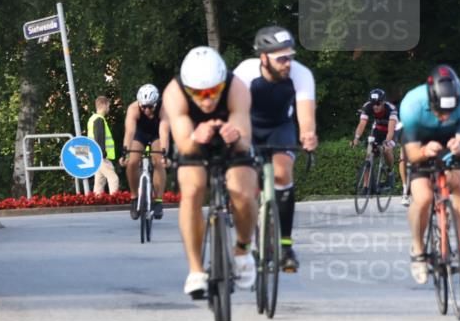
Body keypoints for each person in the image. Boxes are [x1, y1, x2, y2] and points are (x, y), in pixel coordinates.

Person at [163, 46, 258, 298]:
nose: (207, 100)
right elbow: (183, 144)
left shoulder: (236, 87)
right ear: (188, 88)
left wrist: (234, 136)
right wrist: (196, 137)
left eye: (213, 92)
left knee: (243, 191)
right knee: (192, 191)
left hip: (231, 141)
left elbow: (245, 141)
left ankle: (243, 249)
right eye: (199, 94)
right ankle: (195, 270)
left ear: (221, 83)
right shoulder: (175, 92)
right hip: (194, 141)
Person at [233, 26, 318, 272]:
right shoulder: (245, 73)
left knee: (282, 173)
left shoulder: (301, 75)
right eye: (281, 58)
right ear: (263, 58)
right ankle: (246, 236)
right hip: (248, 127)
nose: (287, 63)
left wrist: (308, 135)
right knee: (243, 185)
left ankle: (285, 246)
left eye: (290, 57)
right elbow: (233, 112)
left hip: (280, 127)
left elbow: (306, 116)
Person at [400, 65, 460, 284]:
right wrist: (425, 151)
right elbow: (413, 154)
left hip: (449, 140)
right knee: (424, 197)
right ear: (430, 100)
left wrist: (458, 146)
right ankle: (418, 249)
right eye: (439, 112)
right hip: (420, 142)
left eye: (449, 112)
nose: (444, 117)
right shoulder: (411, 105)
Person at [120, 83, 170, 220]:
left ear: (156, 103)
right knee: (132, 162)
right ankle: (134, 198)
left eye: (150, 106)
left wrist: (164, 154)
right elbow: (130, 132)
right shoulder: (133, 108)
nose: (147, 110)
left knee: (158, 161)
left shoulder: (164, 108)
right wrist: (125, 152)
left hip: (157, 133)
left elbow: (164, 132)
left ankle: (158, 201)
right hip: (140, 133)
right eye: (144, 106)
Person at [351, 88, 398, 192]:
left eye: (378, 104)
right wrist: (356, 138)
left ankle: (390, 171)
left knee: (386, 149)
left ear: (383, 102)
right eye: (373, 104)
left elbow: (390, 131)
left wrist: (386, 142)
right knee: (369, 155)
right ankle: (366, 186)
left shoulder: (391, 109)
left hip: (392, 130)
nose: (375, 106)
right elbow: (362, 124)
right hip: (378, 129)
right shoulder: (367, 106)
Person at [87, 96, 120, 195]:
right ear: (104, 105)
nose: (109, 108)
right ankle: (115, 200)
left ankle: (96, 201)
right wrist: (102, 153)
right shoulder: (99, 119)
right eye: (108, 105)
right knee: (113, 178)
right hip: (101, 156)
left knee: (99, 181)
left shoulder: (92, 119)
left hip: (95, 155)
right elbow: (99, 137)